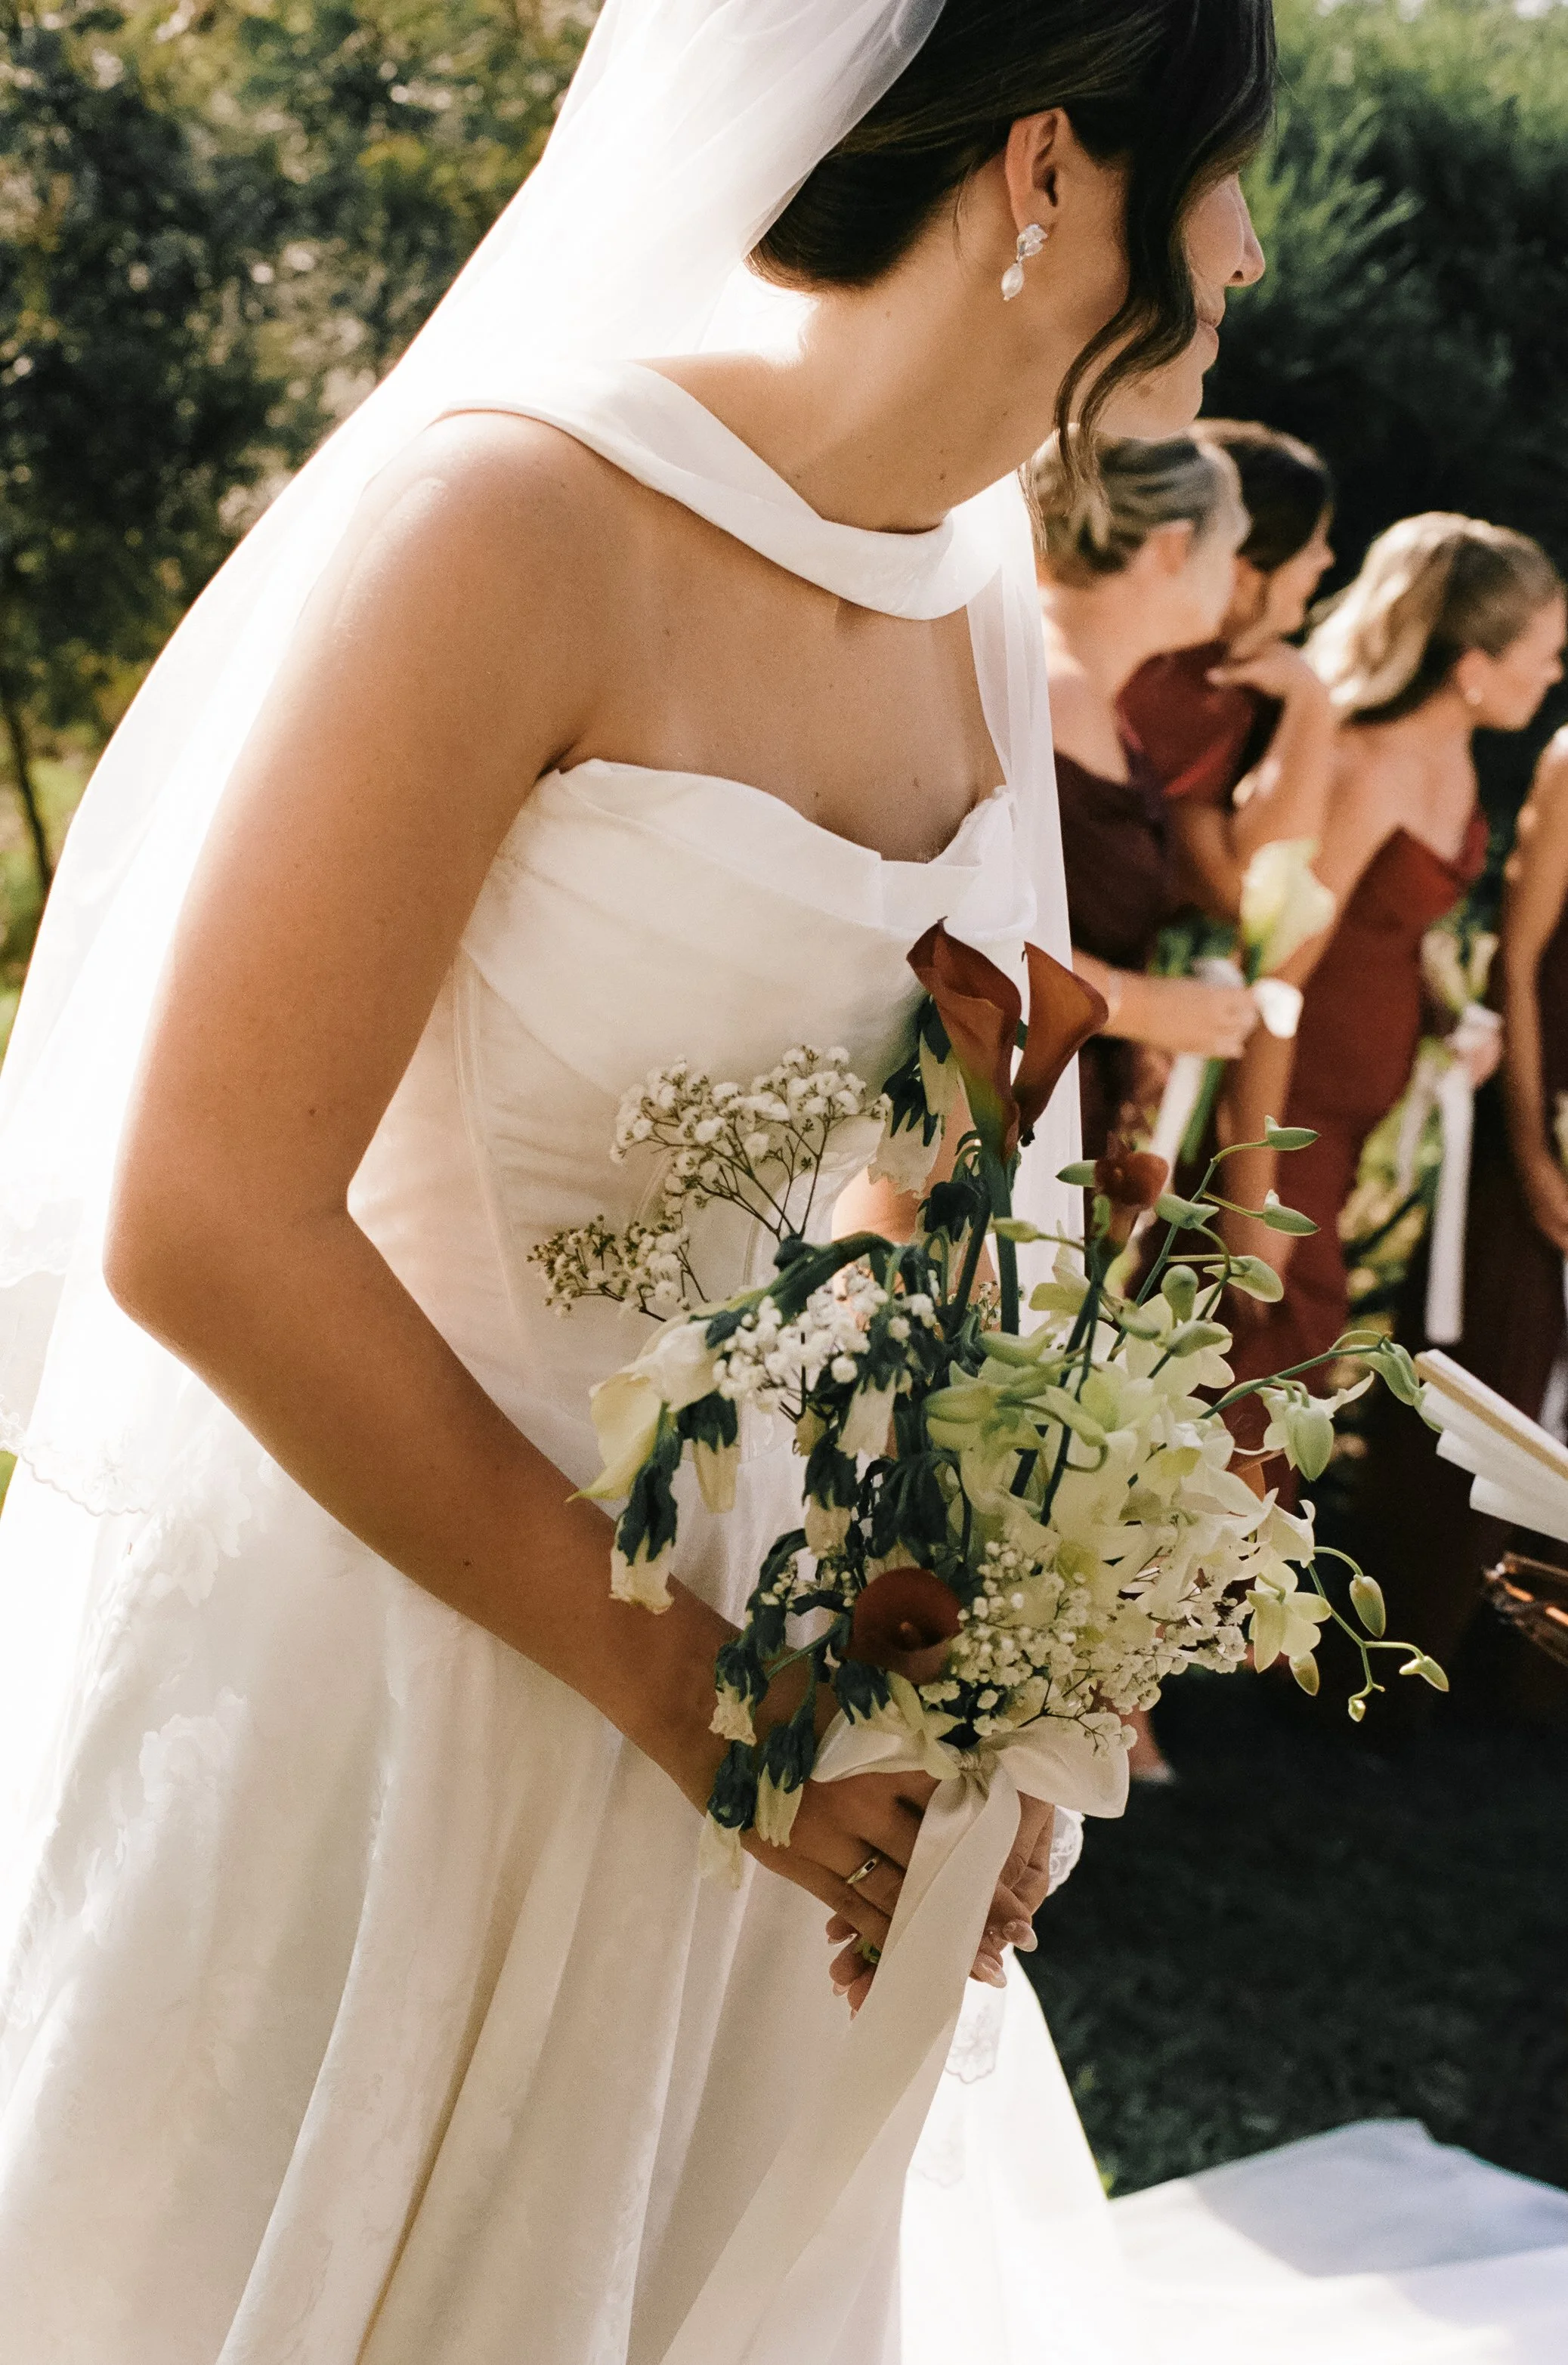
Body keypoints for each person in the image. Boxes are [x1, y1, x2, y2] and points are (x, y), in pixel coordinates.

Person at [0, 2, 1280, 2357]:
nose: (1251, 245)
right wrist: (677, 1685)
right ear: (1041, 170)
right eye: (1224, 176)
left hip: (772, 1708)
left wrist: (972, 1668)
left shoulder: (973, 587)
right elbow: (197, 1214)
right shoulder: (515, 519)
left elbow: (939, 1189)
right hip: (405, 1640)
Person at [1226, 515, 1566, 1420]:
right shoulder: (1361, 766)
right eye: (1544, 650)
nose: (1554, 672)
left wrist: (1445, 1015)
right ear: (1471, 664)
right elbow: (1274, 980)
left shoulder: (1454, 759)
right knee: (1252, 1395)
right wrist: (1250, 1198)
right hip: (1279, 1126)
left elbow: (1390, 925)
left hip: (1343, 1140)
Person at [1348, 724, 1568, 1714]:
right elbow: (1514, 959)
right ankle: (1391, 1658)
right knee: (1492, 1364)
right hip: (1541, 1101)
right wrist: (1528, 1144)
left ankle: (1527, 1680)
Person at [1119, 420, 1338, 1223]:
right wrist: (1312, 714)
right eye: (1312, 544)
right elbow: (1246, 895)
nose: (1324, 564)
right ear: (1247, 567)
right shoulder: (1182, 692)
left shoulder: (1228, 691)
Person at [1029, 430, 1258, 1161]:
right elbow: (970, 931)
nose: (1235, 578)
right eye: (1229, 550)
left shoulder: (1084, 695)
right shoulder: (1054, 695)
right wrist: (1145, 1009)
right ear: (1168, 549)